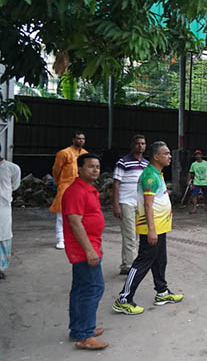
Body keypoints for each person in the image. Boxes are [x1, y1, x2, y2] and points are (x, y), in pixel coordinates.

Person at [112, 141, 183, 315]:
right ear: (156, 157)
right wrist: (151, 230)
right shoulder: (150, 176)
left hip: (160, 227)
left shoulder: (158, 173)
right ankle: (124, 298)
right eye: (166, 153)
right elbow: (148, 205)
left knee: (160, 260)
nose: (169, 156)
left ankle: (162, 292)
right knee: (142, 262)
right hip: (152, 228)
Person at [62, 153, 108, 350]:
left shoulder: (88, 189)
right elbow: (75, 223)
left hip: (89, 246)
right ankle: (85, 335)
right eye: (90, 166)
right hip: (81, 249)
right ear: (79, 169)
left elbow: (90, 220)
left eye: (97, 167)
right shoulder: (75, 191)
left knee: (81, 288)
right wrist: (89, 250)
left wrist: (97, 245)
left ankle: (78, 328)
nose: (95, 170)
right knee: (93, 288)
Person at [112, 135, 148, 275]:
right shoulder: (123, 162)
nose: (140, 146)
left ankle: (131, 264)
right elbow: (116, 185)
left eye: (143, 143)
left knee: (138, 235)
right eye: (137, 143)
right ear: (132, 145)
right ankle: (128, 266)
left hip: (140, 204)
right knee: (130, 235)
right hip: (126, 202)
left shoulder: (146, 164)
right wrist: (116, 204)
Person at [50, 131, 87, 249]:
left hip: (81, 188)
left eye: (82, 139)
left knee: (80, 214)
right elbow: (56, 170)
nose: (80, 141)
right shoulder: (64, 153)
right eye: (78, 138)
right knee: (61, 215)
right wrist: (60, 183)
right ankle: (61, 238)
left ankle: (76, 238)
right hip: (65, 186)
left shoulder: (86, 154)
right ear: (73, 139)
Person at [0, 143, 21, 280]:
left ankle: (1, 267)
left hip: (3, 207)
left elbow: (15, 185)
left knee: (3, 236)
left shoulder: (12, 168)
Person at [187, 149, 207, 214]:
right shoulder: (193, 164)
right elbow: (190, 172)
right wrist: (188, 180)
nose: (198, 156)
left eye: (199, 154)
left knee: (206, 195)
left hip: (205, 182)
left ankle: (206, 206)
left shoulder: (206, 163)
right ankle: (195, 208)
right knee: (194, 195)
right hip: (196, 182)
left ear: (201, 155)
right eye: (196, 155)